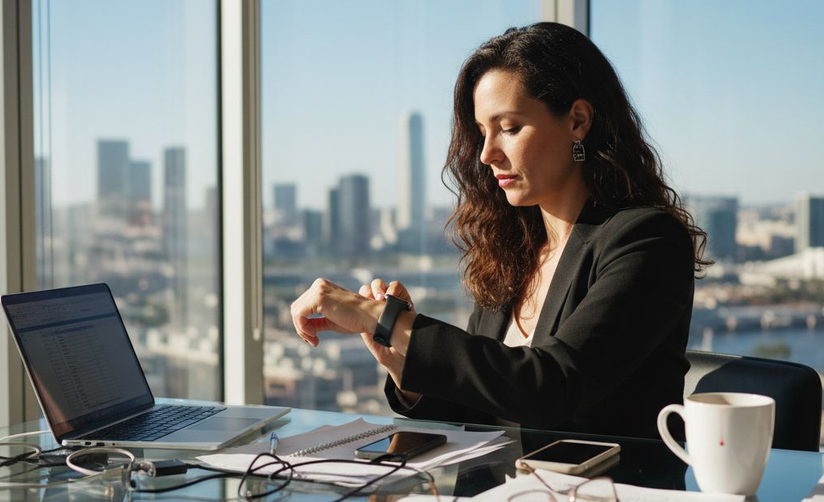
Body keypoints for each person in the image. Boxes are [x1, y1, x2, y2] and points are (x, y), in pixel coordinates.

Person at [290, 22, 707, 440]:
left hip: (611, 496)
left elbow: (553, 387)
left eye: (508, 128)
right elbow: (485, 405)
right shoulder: (513, 251)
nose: (488, 153)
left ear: (578, 120)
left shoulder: (647, 241)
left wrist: (384, 317)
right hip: (504, 499)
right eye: (482, 132)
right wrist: (402, 362)